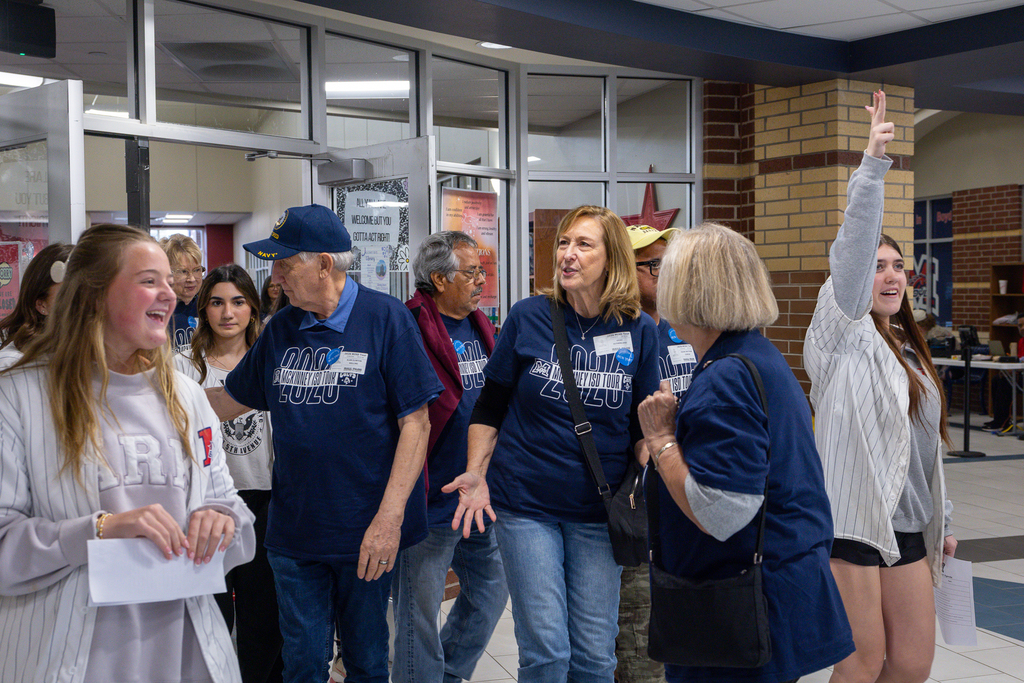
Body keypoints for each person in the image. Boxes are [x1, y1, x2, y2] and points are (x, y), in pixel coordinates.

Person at [0, 223, 255, 683]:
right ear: (94, 296)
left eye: (168, 281)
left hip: (187, 655)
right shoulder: (20, 396)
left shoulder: (186, 396)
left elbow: (231, 508)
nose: (170, 294)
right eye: (148, 281)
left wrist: (222, 519)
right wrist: (100, 530)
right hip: (68, 658)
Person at [204, 205, 443, 683]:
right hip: (296, 533)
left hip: (367, 533)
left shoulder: (386, 319)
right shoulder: (281, 330)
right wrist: (154, 400)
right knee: (303, 664)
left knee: (367, 661)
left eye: (285, 264)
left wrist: (389, 520)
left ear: (324, 265)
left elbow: (417, 424)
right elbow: (228, 400)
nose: (275, 279)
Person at [445, 205, 660, 683]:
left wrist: (660, 468)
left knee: (594, 655)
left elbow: (646, 430)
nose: (568, 254)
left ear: (613, 260)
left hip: (599, 512)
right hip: (526, 507)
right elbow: (490, 406)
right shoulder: (528, 318)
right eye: (564, 243)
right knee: (546, 652)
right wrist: (477, 473)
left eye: (584, 245)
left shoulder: (639, 330)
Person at [637, 221, 854, 683]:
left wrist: (661, 441)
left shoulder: (726, 377)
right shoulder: (758, 357)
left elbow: (721, 511)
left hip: (740, 610)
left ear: (688, 291)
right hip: (776, 593)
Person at [804, 91, 956, 683]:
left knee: (912, 663)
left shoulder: (913, 351)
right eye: (878, 265)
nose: (890, 275)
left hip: (912, 524)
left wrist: (941, 514)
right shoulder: (841, 332)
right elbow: (853, 248)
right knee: (863, 662)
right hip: (854, 521)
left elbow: (923, 447)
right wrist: (871, 167)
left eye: (898, 267)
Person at [395, 231, 508, 683]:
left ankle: (447, 674)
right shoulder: (407, 328)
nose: (482, 280)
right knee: (417, 613)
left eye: (483, 270)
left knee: (491, 591)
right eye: (471, 272)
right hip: (430, 498)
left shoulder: (482, 326)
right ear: (439, 279)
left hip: (478, 493)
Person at [175, 264, 284, 683]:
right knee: (212, 616)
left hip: (266, 501)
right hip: (208, 506)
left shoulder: (272, 360)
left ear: (253, 308)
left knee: (263, 620)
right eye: (217, 302)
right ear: (204, 310)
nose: (227, 313)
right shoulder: (182, 366)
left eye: (238, 302)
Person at [613, 223, 696, 683]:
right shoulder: (620, 334)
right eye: (653, 265)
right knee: (638, 630)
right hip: (642, 503)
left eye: (668, 263)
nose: (664, 274)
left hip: (690, 495)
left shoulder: (689, 328)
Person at [0, 242, 73, 367]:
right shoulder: (12, 365)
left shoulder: (92, 356)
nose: (82, 302)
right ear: (41, 305)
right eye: (68, 292)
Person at [161, 233, 205, 353]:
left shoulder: (207, 306)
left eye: (197, 270)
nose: (191, 279)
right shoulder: (157, 311)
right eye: (183, 271)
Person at [985, 312, 1024, 431]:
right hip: (1020, 372)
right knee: (997, 379)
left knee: (1006, 382)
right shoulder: (1021, 341)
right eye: (1019, 326)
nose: (1022, 328)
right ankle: (998, 418)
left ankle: (1004, 421)